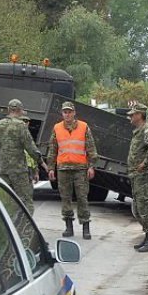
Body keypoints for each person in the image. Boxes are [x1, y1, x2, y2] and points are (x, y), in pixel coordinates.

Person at [47, 101, 97, 240]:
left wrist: (91, 166)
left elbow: (91, 147)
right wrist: (51, 168)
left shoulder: (83, 127)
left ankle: (85, 228)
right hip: (63, 169)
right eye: (65, 112)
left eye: (69, 111)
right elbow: (52, 149)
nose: (67, 114)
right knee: (65, 198)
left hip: (80, 169)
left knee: (82, 198)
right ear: (62, 113)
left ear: (74, 113)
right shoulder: (57, 128)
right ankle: (68, 227)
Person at [0, 99, 46, 215]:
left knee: (6, 201)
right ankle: (25, 231)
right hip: (19, 171)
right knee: (26, 202)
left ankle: (8, 229)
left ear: (9, 110)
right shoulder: (21, 126)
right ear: (20, 111)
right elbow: (30, 148)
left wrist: (0, 162)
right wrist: (42, 162)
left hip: (4, 170)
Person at [127, 103, 148, 253]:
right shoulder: (139, 131)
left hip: (144, 175)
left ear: (139, 115)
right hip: (138, 175)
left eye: (132, 114)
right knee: (140, 206)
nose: (130, 117)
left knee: (145, 206)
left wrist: (144, 163)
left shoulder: (147, 130)